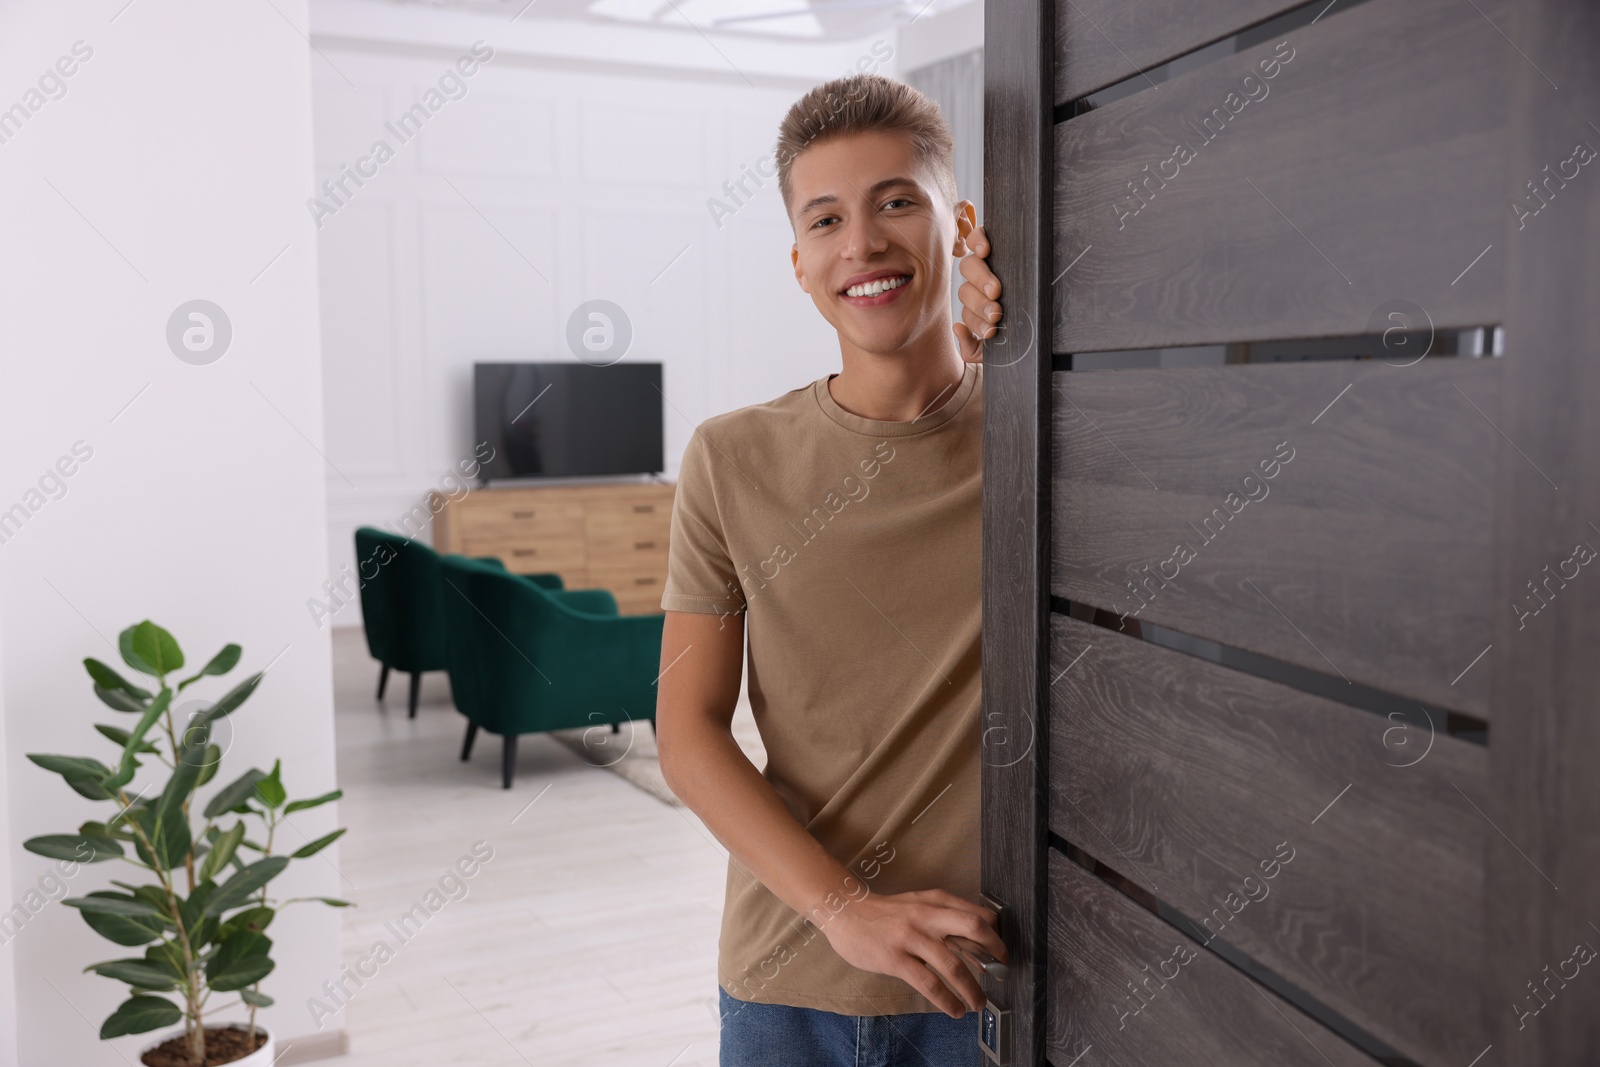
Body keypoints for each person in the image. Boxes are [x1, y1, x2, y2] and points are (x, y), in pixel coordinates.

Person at [656, 72, 1007, 1067]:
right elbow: (685, 732)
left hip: (987, 977)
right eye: (825, 220)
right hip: (788, 977)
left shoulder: (1038, 435)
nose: (861, 242)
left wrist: (1017, 344)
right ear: (801, 265)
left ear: (959, 225)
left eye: (897, 200)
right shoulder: (730, 457)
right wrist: (843, 909)